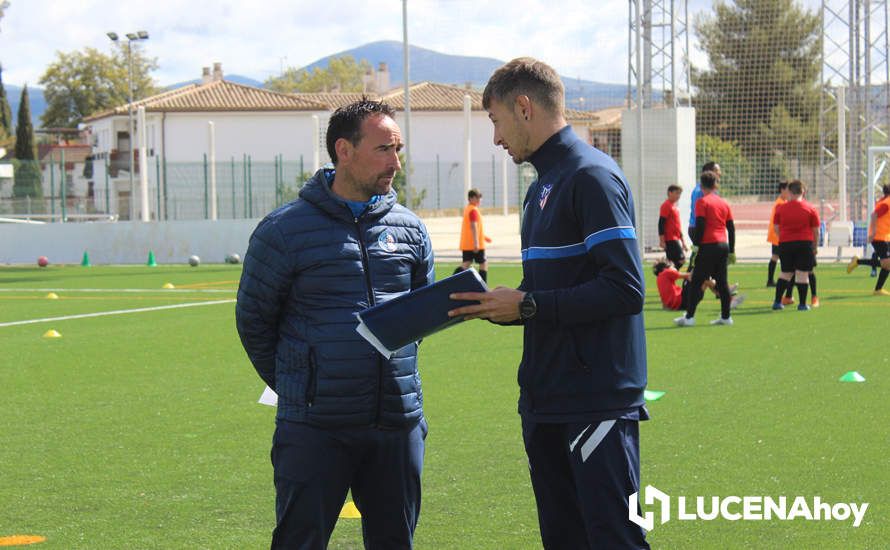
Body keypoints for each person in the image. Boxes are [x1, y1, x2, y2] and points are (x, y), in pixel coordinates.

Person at [447, 57, 649, 549]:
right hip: (547, 399)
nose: (495, 138)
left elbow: (626, 289)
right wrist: (501, 304)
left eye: (495, 121)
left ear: (523, 107)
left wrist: (529, 305)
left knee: (614, 540)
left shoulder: (590, 177)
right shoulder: (543, 185)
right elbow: (547, 291)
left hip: (594, 400)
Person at [235, 99, 434, 549]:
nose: (395, 163)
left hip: (396, 425)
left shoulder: (410, 229)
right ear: (344, 150)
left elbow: (419, 315)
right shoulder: (284, 231)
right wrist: (301, 383)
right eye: (384, 149)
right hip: (315, 429)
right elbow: (254, 322)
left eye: (398, 149)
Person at [675, 170, 735, 326]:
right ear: (716, 185)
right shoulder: (724, 203)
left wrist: (696, 245)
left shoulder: (702, 202)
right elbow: (731, 228)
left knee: (696, 281)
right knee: (722, 282)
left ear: (701, 186)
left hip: (708, 245)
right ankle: (726, 317)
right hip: (723, 245)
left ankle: (689, 317)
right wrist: (732, 250)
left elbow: (700, 225)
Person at [771, 179, 820, 311]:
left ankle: (777, 302)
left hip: (786, 243)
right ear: (803, 192)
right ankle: (802, 304)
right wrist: (815, 247)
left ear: (789, 192)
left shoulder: (781, 208)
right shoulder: (810, 208)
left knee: (785, 273)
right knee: (802, 273)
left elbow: (776, 228)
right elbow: (816, 231)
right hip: (804, 243)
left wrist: (783, 238)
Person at [846, 183, 890, 296]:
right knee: (887, 263)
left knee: (887, 264)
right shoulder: (886, 203)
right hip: (880, 237)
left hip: (885, 237)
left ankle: (878, 289)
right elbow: (874, 215)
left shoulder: (885, 201)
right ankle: (857, 261)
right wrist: (873, 232)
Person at [654, 259, 744, 311]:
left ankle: (725, 295)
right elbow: (688, 276)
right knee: (702, 277)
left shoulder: (659, 279)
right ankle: (726, 292)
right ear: (666, 268)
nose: (675, 268)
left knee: (704, 280)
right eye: (673, 267)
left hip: (682, 302)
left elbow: (664, 302)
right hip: (683, 301)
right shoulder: (666, 272)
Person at [686, 161, 721, 272]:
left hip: (703, 228)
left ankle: (721, 286)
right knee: (704, 260)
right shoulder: (699, 191)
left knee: (703, 260)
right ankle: (721, 286)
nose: (720, 173)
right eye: (717, 170)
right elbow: (699, 215)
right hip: (698, 228)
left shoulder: (709, 191)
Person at [453, 188, 492, 282]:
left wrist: (484, 237)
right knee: (483, 263)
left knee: (466, 264)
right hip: (474, 244)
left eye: (480, 198)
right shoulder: (473, 210)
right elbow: (473, 226)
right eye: (477, 198)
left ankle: (452, 280)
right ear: (470, 198)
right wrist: (476, 242)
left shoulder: (469, 209)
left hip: (467, 243)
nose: (479, 200)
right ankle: (483, 286)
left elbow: (475, 228)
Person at [766, 181, 789, 287]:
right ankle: (778, 280)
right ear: (782, 190)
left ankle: (771, 280)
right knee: (779, 256)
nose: (789, 192)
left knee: (776, 256)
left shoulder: (782, 202)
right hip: (778, 234)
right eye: (788, 189)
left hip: (777, 233)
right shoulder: (781, 203)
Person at [659, 185, 687, 269]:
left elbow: (677, 226)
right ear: (669, 193)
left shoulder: (674, 206)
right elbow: (661, 223)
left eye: (679, 194)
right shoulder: (666, 205)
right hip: (670, 239)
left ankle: (668, 278)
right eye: (676, 193)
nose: (678, 196)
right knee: (680, 260)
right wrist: (662, 240)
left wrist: (683, 241)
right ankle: (666, 276)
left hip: (675, 238)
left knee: (673, 262)